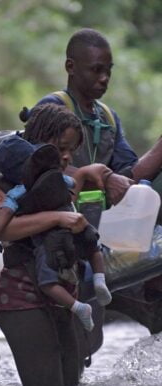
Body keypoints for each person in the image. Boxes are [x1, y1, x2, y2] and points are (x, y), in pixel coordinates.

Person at [32, 27, 162, 328]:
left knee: (92, 336)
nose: (104, 78)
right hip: (58, 233)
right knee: (76, 338)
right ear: (70, 67)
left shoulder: (107, 116)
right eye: (96, 70)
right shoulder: (51, 108)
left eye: (108, 71)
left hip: (101, 235)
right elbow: (35, 168)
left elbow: (130, 174)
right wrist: (102, 177)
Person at [0, 103, 111, 386]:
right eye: (60, 148)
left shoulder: (59, 181)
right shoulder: (2, 181)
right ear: (36, 140)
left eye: (71, 150)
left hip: (64, 296)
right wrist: (56, 218)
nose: (66, 157)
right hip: (22, 299)